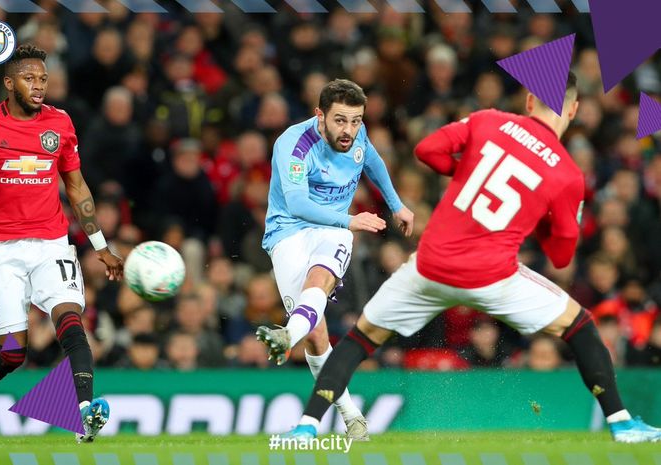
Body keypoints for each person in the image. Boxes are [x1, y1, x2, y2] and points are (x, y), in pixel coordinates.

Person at [284, 72, 661, 443]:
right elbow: (561, 257)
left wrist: (464, 170)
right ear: (574, 110)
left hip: (430, 266)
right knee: (580, 327)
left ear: (529, 101)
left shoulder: (489, 120)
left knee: (359, 340)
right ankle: (622, 423)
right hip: (492, 276)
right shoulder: (567, 174)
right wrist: (546, 220)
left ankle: (306, 427)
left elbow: (426, 150)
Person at [0, 45, 124, 443]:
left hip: (52, 241)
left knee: (70, 318)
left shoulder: (60, 123)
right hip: (1, 249)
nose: (39, 86)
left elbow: (76, 185)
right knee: (15, 351)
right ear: (9, 82)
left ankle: (86, 410)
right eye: (30, 79)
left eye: (44, 79)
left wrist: (99, 243)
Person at [256, 79, 414, 441]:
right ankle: (350, 413)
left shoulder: (356, 135)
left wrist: (397, 205)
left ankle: (285, 337)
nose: (349, 130)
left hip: (334, 232)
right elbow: (296, 203)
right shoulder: (293, 145)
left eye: (356, 121)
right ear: (319, 116)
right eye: (340, 121)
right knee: (315, 333)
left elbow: (371, 161)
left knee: (318, 284)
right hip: (288, 234)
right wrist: (351, 219)